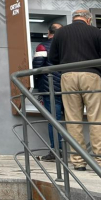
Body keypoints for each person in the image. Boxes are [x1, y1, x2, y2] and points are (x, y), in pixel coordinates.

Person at [48, 9, 101, 172]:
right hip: (91, 75)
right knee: (96, 118)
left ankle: (78, 161)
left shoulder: (60, 32)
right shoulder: (96, 32)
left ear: (73, 19)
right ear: (89, 19)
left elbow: (52, 58)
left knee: (73, 119)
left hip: (68, 76)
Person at [33, 22, 63, 162]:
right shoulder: (67, 46)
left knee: (53, 120)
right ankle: (75, 152)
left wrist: (36, 83)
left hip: (50, 88)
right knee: (70, 119)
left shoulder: (43, 46)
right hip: (68, 87)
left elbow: (37, 67)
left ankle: (56, 151)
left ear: (48, 32)